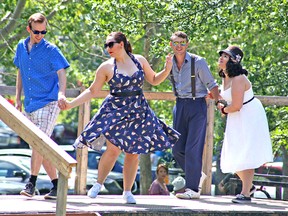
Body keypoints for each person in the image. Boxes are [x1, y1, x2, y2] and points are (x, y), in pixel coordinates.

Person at [61, 32, 180, 204]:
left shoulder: (139, 60)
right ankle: (98, 184)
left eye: (110, 44)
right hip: (116, 111)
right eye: (106, 45)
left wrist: (167, 69)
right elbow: (92, 91)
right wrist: (71, 104)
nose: (107, 48)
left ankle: (127, 191)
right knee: (114, 149)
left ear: (121, 44)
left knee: (133, 153)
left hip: (138, 110)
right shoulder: (106, 67)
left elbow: (154, 80)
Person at [13, 13, 70, 199]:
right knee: (41, 147)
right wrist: (18, 98)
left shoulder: (51, 49)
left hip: (49, 101)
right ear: (29, 29)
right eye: (37, 32)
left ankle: (31, 183)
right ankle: (57, 185)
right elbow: (20, 72)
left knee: (38, 144)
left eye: (44, 31)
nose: (40, 35)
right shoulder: (21, 47)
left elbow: (62, 72)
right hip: (30, 103)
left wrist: (61, 93)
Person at [217, 45, 273, 203]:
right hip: (237, 117)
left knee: (246, 152)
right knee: (235, 152)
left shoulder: (238, 78)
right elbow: (227, 98)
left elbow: (236, 105)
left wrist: (223, 110)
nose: (221, 58)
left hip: (248, 115)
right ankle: (249, 187)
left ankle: (246, 194)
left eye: (226, 56)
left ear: (234, 61)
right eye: (221, 55)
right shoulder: (225, 76)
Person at [169, 31, 219, 199]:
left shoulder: (198, 62)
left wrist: (217, 100)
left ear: (187, 44)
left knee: (192, 149)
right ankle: (196, 175)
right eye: (176, 42)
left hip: (197, 105)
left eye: (182, 43)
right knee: (176, 149)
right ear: (171, 45)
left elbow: (212, 85)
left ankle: (193, 189)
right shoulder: (170, 62)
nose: (179, 46)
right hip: (179, 105)